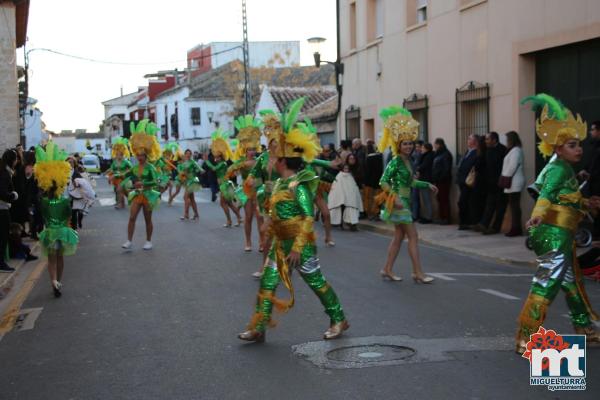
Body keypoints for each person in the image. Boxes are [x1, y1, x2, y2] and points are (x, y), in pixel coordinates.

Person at [238, 98, 348, 343]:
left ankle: (338, 318)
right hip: (279, 243)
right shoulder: (278, 183)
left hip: (301, 244)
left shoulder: (299, 184)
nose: (272, 160)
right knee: (268, 281)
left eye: (276, 158)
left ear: (284, 161)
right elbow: (274, 208)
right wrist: (268, 223)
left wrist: (298, 247)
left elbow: (308, 216)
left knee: (316, 282)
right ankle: (259, 326)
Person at [515, 93, 600, 353]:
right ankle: (525, 338)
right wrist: (538, 214)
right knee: (546, 285)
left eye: (579, 144)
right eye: (573, 144)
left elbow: (565, 199)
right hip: (552, 235)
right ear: (558, 148)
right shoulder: (558, 169)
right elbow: (545, 195)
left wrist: (586, 204)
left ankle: (585, 328)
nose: (579, 148)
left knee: (572, 284)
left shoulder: (566, 170)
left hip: (561, 234)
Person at [376, 106, 438, 283]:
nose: (409, 146)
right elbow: (383, 181)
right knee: (413, 236)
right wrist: (394, 198)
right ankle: (417, 272)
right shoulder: (396, 161)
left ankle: (387, 269)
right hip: (399, 204)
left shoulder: (408, 160)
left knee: (399, 237)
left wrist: (427, 184)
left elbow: (410, 183)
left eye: (410, 143)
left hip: (405, 202)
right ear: (398, 145)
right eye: (405, 143)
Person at [33, 141, 79, 297]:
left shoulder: (44, 201)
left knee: (51, 260)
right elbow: (68, 216)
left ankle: (53, 280)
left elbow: (44, 217)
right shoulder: (65, 201)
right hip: (62, 232)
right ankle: (59, 281)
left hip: (50, 232)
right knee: (60, 259)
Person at [121, 120, 161, 251]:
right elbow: (129, 176)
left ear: (146, 155)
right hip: (137, 195)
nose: (139, 157)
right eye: (137, 155)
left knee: (147, 219)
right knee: (132, 217)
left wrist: (144, 183)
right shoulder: (134, 167)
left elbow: (155, 182)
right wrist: (122, 183)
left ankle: (148, 241)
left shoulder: (151, 168)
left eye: (142, 155)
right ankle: (129, 240)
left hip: (148, 195)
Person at [229, 114, 263, 252]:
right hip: (247, 191)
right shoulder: (241, 162)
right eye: (250, 149)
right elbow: (229, 172)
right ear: (245, 149)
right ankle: (248, 241)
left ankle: (262, 242)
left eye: (254, 149)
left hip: (259, 190)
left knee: (260, 217)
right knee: (248, 217)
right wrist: (234, 171)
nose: (252, 152)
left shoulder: (261, 160)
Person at [204, 129, 242, 228]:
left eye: (218, 157)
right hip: (222, 185)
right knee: (229, 204)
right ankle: (238, 218)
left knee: (223, 203)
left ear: (221, 156)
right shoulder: (220, 163)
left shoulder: (222, 164)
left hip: (225, 185)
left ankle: (230, 220)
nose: (216, 158)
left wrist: (207, 161)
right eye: (215, 157)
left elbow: (213, 168)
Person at [474, 131, 507, 234]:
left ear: (494, 140)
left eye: (488, 139)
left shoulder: (502, 150)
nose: (486, 141)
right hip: (490, 184)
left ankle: (495, 228)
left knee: (500, 207)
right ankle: (484, 224)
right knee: (489, 205)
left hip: (500, 184)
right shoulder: (488, 150)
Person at [328, 154, 363, 231]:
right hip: (342, 191)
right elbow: (338, 182)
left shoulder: (357, 168)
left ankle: (352, 223)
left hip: (353, 191)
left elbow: (359, 178)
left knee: (352, 206)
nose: (352, 160)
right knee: (342, 205)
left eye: (353, 158)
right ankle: (343, 222)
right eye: (350, 158)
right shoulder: (340, 174)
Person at [501, 131, 525, 236]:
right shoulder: (514, 150)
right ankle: (515, 227)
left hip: (514, 181)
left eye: (508, 139)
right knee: (513, 205)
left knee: (514, 206)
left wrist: (505, 177)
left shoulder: (515, 151)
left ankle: (516, 228)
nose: (507, 142)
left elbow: (512, 166)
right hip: (513, 180)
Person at [579, 120, 600, 237]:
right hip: (593, 185)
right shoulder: (595, 146)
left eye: (592, 129)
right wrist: (586, 170)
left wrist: (591, 174)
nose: (590, 132)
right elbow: (591, 163)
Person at [0, 149, 19, 272]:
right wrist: (13, 195)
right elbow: (2, 192)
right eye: (16, 158)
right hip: (2, 209)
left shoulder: (4, 171)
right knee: (2, 236)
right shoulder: (5, 173)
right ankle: (1, 264)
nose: (17, 161)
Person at [456, 134, 479, 229]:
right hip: (462, 181)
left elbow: (471, 167)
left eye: (470, 139)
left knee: (463, 202)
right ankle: (465, 222)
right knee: (464, 202)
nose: (468, 140)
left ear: (475, 141)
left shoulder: (477, 152)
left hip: (469, 181)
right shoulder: (467, 152)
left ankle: (465, 222)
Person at [175, 149, 202, 221]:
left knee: (185, 197)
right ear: (185, 154)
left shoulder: (192, 162)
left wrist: (200, 170)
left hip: (192, 181)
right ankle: (196, 214)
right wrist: (181, 172)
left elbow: (198, 168)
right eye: (187, 153)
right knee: (192, 199)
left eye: (189, 153)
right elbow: (182, 171)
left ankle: (186, 214)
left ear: (191, 155)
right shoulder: (184, 163)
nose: (188, 154)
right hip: (187, 181)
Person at [105, 137, 132, 209]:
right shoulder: (115, 162)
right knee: (121, 191)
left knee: (120, 190)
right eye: (116, 154)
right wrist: (108, 172)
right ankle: (122, 203)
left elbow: (131, 169)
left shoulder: (126, 162)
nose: (118, 155)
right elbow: (112, 169)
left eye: (119, 154)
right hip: (117, 178)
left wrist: (125, 173)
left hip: (125, 178)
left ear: (123, 154)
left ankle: (121, 204)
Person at [431, 138, 453, 224]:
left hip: (443, 181)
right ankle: (441, 217)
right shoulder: (438, 154)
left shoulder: (446, 154)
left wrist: (440, 178)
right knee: (439, 199)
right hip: (438, 181)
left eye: (435, 145)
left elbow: (446, 169)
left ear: (439, 145)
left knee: (444, 199)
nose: (434, 147)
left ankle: (446, 218)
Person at [363, 140, 383, 221]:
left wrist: (365, 181)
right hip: (378, 181)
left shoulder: (368, 158)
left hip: (370, 182)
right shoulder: (380, 156)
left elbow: (367, 171)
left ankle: (371, 213)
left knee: (369, 198)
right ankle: (377, 213)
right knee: (378, 198)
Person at [416, 142, 434, 223]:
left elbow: (423, 166)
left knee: (426, 199)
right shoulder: (425, 155)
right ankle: (426, 216)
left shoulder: (428, 156)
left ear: (426, 149)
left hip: (426, 179)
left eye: (422, 148)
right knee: (425, 199)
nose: (421, 149)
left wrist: (418, 168)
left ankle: (429, 217)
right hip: (424, 179)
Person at [410, 140, 424, 221]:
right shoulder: (414, 154)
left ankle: (415, 215)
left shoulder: (421, 155)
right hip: (412, 178)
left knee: (415, 197)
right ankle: (414, 214)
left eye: (419, 147)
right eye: (416, 147)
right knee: (413, 197)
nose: (417, 148)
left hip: (418, 178)